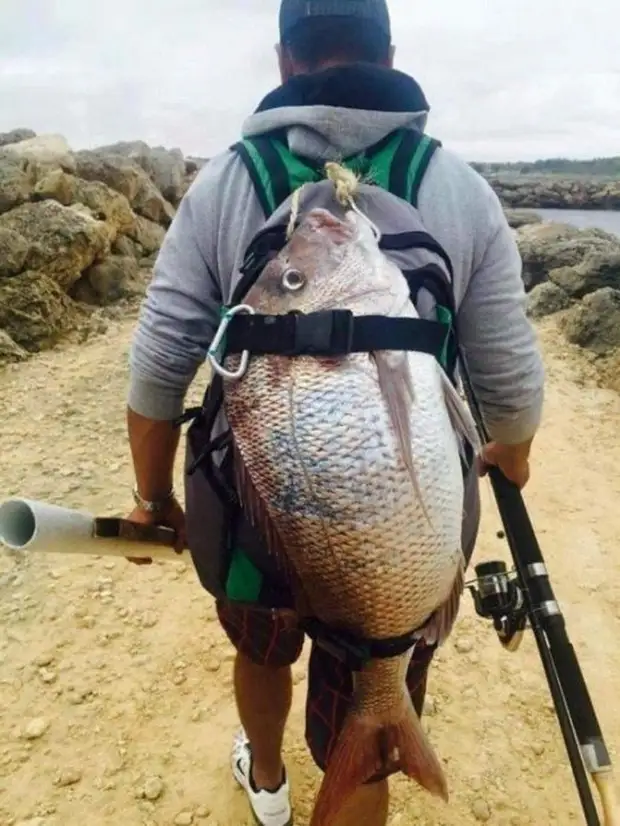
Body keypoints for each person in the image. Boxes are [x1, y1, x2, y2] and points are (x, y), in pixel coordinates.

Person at [125, 1, 545, 824]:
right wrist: (514, 455)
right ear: (389, 52)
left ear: (285, 63)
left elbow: (157, 366)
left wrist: (152, 499)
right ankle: (362, 744)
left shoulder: (228, 179)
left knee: (261, 645)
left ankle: (270, 785)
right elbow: (513, 389)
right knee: (371, 693)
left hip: (255, 517)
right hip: (401, 541)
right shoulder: (456, 186)